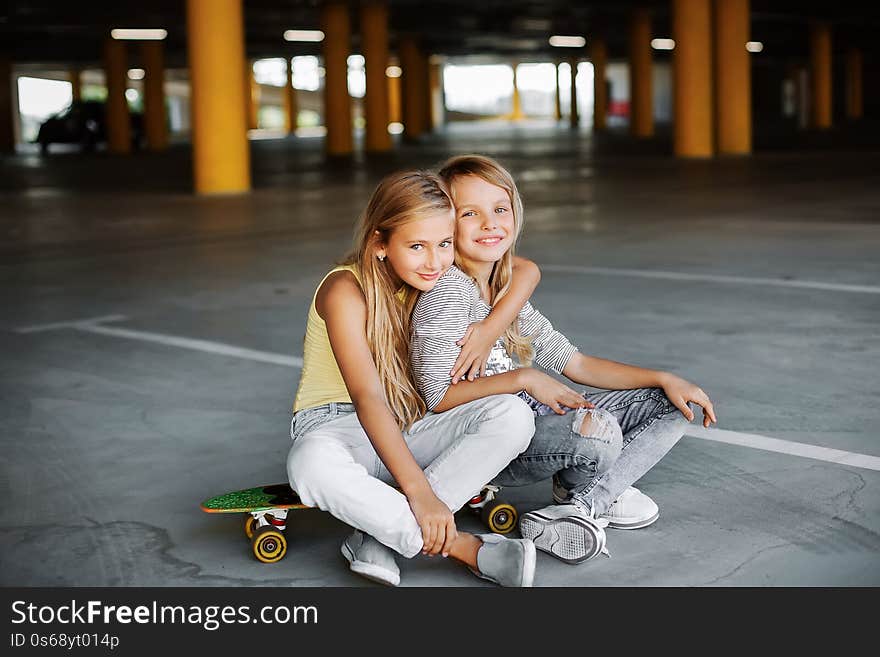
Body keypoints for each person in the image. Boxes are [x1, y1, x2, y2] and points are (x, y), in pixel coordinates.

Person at [409, 154, 718, 564]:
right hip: (492, 437)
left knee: (676, 403)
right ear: (445, 225)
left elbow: (576, 364)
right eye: (471, 213)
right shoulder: (446, 294)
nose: (490, 223)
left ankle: (578, 504)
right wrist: (524, 380)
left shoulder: (504, 292)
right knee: (599, 431)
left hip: (533, 416)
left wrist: (664, 377)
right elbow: (437, 398)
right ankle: (592, 498)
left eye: (500, 209)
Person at [286, 170, 542, 587]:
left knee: (511, 415)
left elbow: (525, 269)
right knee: (309, 465)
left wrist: (507, 350)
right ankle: (464, 548)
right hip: (337, 426)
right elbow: (367, 395)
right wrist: (421, 495)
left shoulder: (436, 280)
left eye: (444, 244)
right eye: (417, 246)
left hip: (408, 425)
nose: (435, 260)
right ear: (379, 243)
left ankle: (378, 534)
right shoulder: (344, 290)